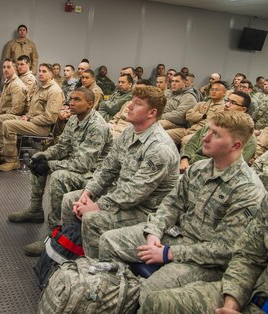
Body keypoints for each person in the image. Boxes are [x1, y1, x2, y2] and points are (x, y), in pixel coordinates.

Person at [139, 122, 268, 313]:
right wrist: (232, 303)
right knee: (156, 303)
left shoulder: (250, 189)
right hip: (247, 293)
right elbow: (248, 256)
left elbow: (226, 249)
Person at [99, 111, 265, 305]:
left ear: (235, 145)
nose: (205, 137)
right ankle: (113, 298)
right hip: (176, 236)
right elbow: (172, 203)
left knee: (150, 292)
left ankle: (130, 302)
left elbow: (225, 250)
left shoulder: (248, 190)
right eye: (207, 130)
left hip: (204, 260)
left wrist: (169, 253)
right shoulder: (199, 168)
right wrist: (154, 232)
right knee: (108, 241)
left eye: (216, 134)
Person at [60, 86, 179, 258]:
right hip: (120, 196)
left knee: (92, 219)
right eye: (132, 101)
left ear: (151, 113)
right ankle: (69, 251)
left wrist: (98, 205)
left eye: (137, 104)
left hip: (146, 210)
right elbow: (108, 168)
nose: (129, 106)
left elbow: (135, 192)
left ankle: (91, 268)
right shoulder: (130, 132)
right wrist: (88, 193)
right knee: (70, 199)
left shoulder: (159, 148)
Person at [8, 87, 113, 256]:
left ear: (89, 104)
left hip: (94, 175)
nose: (71, 103)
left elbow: (82, 164)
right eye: (70, 99)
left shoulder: (96, 126)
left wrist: (50, 165)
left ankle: (55, 232)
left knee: (58, 177)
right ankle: (36, 210)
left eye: (77, 99)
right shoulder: (74, 119)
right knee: (38, 157)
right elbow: (63, 146)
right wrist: (45, 156)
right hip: (80, 165)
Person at [0, 63, 64, 171]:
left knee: (8, 125)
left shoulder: (54, 91)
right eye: (40, 71)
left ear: (51, 74)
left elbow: (50, 118)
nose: (40, 73)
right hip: (32, 121)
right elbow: (34, 109)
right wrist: (27, 116)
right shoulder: (41, 87)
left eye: (44, 71)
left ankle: (12, 160)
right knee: (1, 119)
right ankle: (4, 152)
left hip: (42, 127)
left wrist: (30, 119)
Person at [180, 91, 257, 173]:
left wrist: (195, 161)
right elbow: (192, 143)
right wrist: (185, 159)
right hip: (190, 166)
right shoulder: (214, 124)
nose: (227, 105)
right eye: (227, 101)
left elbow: (231, 166)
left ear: (243, 109)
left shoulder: (248, 138)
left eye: (233, 103)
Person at [167, 80, 226, 146]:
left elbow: (211, 122)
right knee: (166, 134)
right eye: (212, 89)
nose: (213, 91)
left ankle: (184, 156)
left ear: (224, 93)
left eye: (217, 90)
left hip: (203, 134)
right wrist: (202, 116)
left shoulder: (224, 108)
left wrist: (196, 115)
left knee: (186, 140)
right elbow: (188, 116)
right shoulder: (201, 104)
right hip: (189, 130)